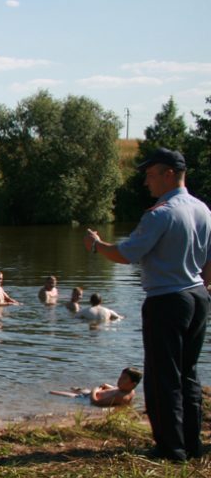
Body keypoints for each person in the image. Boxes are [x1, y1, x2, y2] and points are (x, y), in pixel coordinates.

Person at [86, 148, 211, 461]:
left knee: (162, 377)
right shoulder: (203, 210)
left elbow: (125, 254)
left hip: (167, 299)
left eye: (150, 173)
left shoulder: (161, 213)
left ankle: (170, 449)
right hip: (198, 296)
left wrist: (96, 245)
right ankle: (191, 445)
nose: (145, 181)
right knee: (188, 374)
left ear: (169, 173)